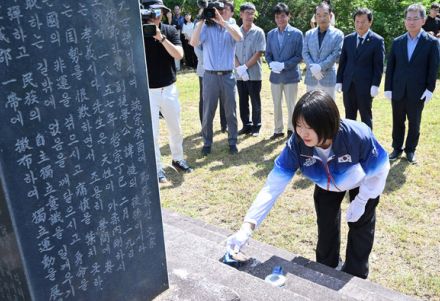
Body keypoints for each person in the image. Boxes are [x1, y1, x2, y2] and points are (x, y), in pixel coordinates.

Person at [226, 90, 390, 280]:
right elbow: (272, 186)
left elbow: (379, 170)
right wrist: (248, 226)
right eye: (298, 125)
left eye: (309, 127)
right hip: (326, 184)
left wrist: (361, 200)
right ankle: (327, 269)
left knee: (360, 226)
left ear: (328, 124)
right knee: (326, 225)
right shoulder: (296, 144)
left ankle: (356, 275)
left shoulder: (357, 135)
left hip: (362, 181)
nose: (302, 133)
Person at [141, 0, 193, 183]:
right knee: (153, 132)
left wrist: (160, 38)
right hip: (148, 90)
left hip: (169, 88)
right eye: (152, 12)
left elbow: (179, 54)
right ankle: (156, 168)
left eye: (159, 12)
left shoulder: (169, 30)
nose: (156, 16)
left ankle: (178, 158)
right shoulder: (137, 32)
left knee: (175, 127)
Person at [385, 3, 440, 164]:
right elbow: (391, 67)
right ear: (405, 21)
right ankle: (396, 148)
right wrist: (388, 88)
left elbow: (433, 68)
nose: (411, 22)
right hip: (398, 89)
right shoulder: (397, 42)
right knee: (397, 120)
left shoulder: (431, 42)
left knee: (414, 122)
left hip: (418, 90)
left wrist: (430, 89)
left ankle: (410, 150)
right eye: (408, 19)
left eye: (415, 18)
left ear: (423, 20)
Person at [191, 1, 243, 156]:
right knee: (208, 112)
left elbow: (239, 37)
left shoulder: (231, 27)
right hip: (210, 76)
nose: (218, 12)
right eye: (215, 10)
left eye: (221, 10)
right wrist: (200, 21)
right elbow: (193, 42)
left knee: (231, 112)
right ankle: (207, 143)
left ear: (227, 11)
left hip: (228, 75)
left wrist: (223, 22)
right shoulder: (205, 28)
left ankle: (232, 142)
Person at [336, 8, 385, 129]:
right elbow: (343, 62)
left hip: (365, 86)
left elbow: (378, 66)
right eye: (357, 21)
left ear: (370, 22)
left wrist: (375, 85)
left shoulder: (377, 41)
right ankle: (350, 142)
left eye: (363, 21)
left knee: (366, 117)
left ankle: (367, 143)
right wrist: (339, 80)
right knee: (349, 117)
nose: (359, 25)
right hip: (348, 85)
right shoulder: (348, 39)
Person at [265, 3, 303, 140]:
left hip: (291, 75)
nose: (280, 19)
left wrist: (284, 65)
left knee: (291, 105)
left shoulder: (297, 34)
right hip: (275, 76)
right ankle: (278, 130)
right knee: (276, 104)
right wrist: (271, 63)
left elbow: (300, 55)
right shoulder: (270, 34)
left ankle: (292, 130)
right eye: (277, 17)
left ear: (288, 16)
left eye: (282, 16)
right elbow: (267, 53)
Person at [235, 2, 266, 137]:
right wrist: (239, 68)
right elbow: (232, 52)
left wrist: (245, 67)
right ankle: (246, 125)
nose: (250, 16)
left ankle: (256, 126)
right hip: (239, 75)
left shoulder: (258, 32)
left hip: (253, 74)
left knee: (255, 100)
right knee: (242, 101)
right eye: (247, 13)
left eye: (252, 13)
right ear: (241, 14)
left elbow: (259, 52)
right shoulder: (236, 31)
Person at [303, 2, 343, 102]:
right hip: (311, 78)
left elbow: (336, 54)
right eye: (318, 15)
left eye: (325, 15)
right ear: (315, 17)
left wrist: (320, 67)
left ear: (330, 16)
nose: (322, 18)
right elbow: (305, 52)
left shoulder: (338, 34)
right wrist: (313, 68)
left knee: (328, 110)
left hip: (328, 78)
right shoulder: (308, 34)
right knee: (310, 109)